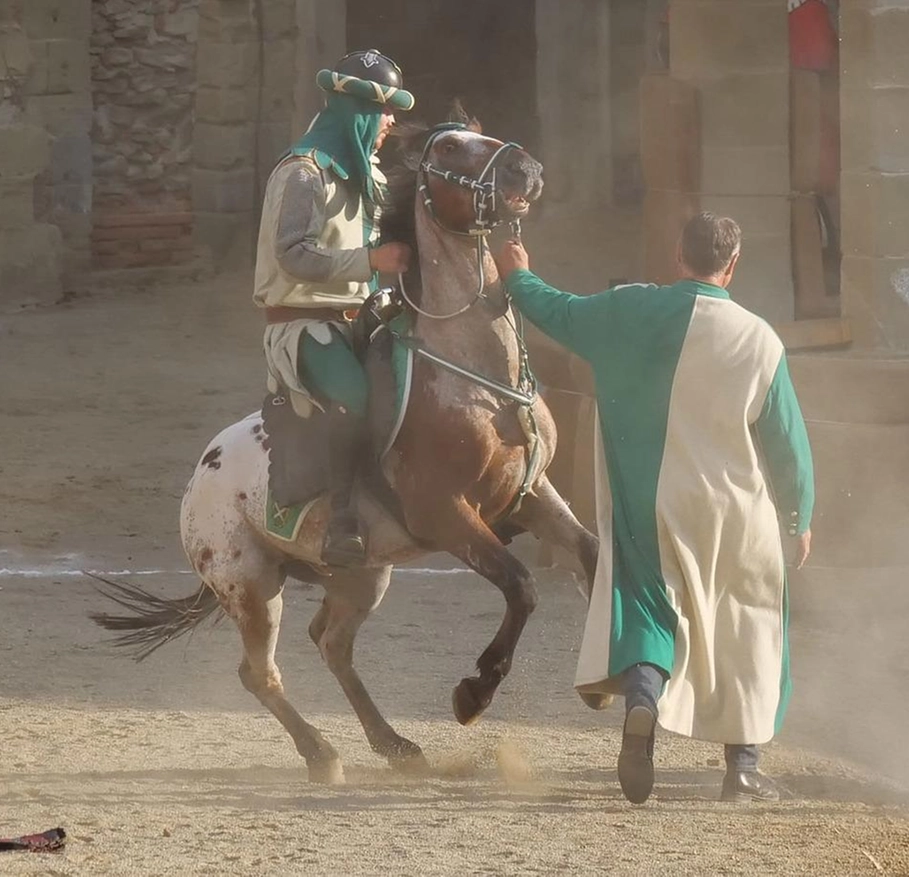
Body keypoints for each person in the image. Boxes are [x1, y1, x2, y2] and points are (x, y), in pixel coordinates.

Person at [493, 213, 815, 804]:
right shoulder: (761, 338)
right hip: (738, 511)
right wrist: (797, 519)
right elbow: (787, 445)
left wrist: (517, 274)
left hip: (650, 502)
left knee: (647, 606)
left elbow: (556, 311)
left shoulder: (626, 309)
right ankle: (741, 770)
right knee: (748, 624)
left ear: (678, 255)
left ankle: (643, 700)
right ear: (733, 264)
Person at [253, 49, 415, 566]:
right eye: (384, 111)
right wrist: (370, 259)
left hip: (360, 317)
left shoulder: (367, 173)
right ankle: (343, 517)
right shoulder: (303, 173)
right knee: (353, 396)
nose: (391, 121)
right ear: (357, 114)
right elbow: (291, 253)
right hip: (305, 325)